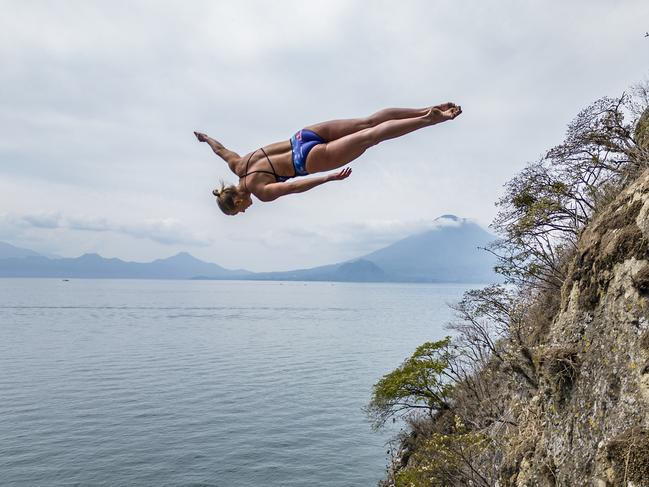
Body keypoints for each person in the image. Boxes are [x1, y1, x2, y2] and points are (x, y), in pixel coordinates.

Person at [194, 103, 462, 215]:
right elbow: (220, 149)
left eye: (239, 210)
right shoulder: (238, 164)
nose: (244, 211)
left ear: (237, 199)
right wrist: (206, 138)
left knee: (370, 136)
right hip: (300, 137)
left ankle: (428, 119)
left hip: (308, 159)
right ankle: (429, 108)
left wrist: (327, 178)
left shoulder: (259, 191)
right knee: (367, 121)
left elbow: (292, 186)